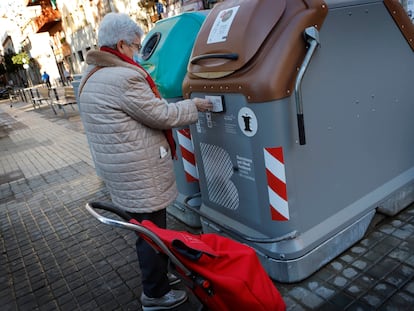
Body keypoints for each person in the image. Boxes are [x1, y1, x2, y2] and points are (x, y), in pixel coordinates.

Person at [78, 12, 212, 310]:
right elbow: (161, 114)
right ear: (122, 44)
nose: (139, 52)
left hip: (120, 169)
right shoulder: (124, 77)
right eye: (136, 46)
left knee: (145, 228)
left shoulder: (91, 74)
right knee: (151, 233)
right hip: (139, 171)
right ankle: (155, 294)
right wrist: (195, 105)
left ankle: (160, 280)